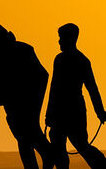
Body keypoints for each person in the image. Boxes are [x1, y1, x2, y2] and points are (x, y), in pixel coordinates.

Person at [45, 23, 106, 168]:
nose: (59, 41)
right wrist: (100, 112)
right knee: (72, 146)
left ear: (70, 39)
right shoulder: (77, 60)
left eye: (61, 38)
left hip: (68, 112)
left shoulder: (69, 60)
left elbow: (92, 88)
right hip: (71, 111)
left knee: (78, 146)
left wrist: (100, 112)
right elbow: (54, 89)